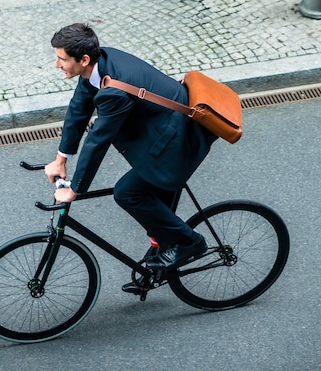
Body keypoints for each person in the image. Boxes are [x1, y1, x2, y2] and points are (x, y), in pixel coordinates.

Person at [44, 23, 218, 292]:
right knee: (153, 205)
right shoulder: (100, 63)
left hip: (177, 141)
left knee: (128, 193)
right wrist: (61, 158)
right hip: (162, 129)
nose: (57, 65)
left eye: (62, 59)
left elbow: (98, 140)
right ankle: (164, 248)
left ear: (84, 59)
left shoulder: (114, 90)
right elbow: (79, 108)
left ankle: (189, 242)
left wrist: (75, 189)